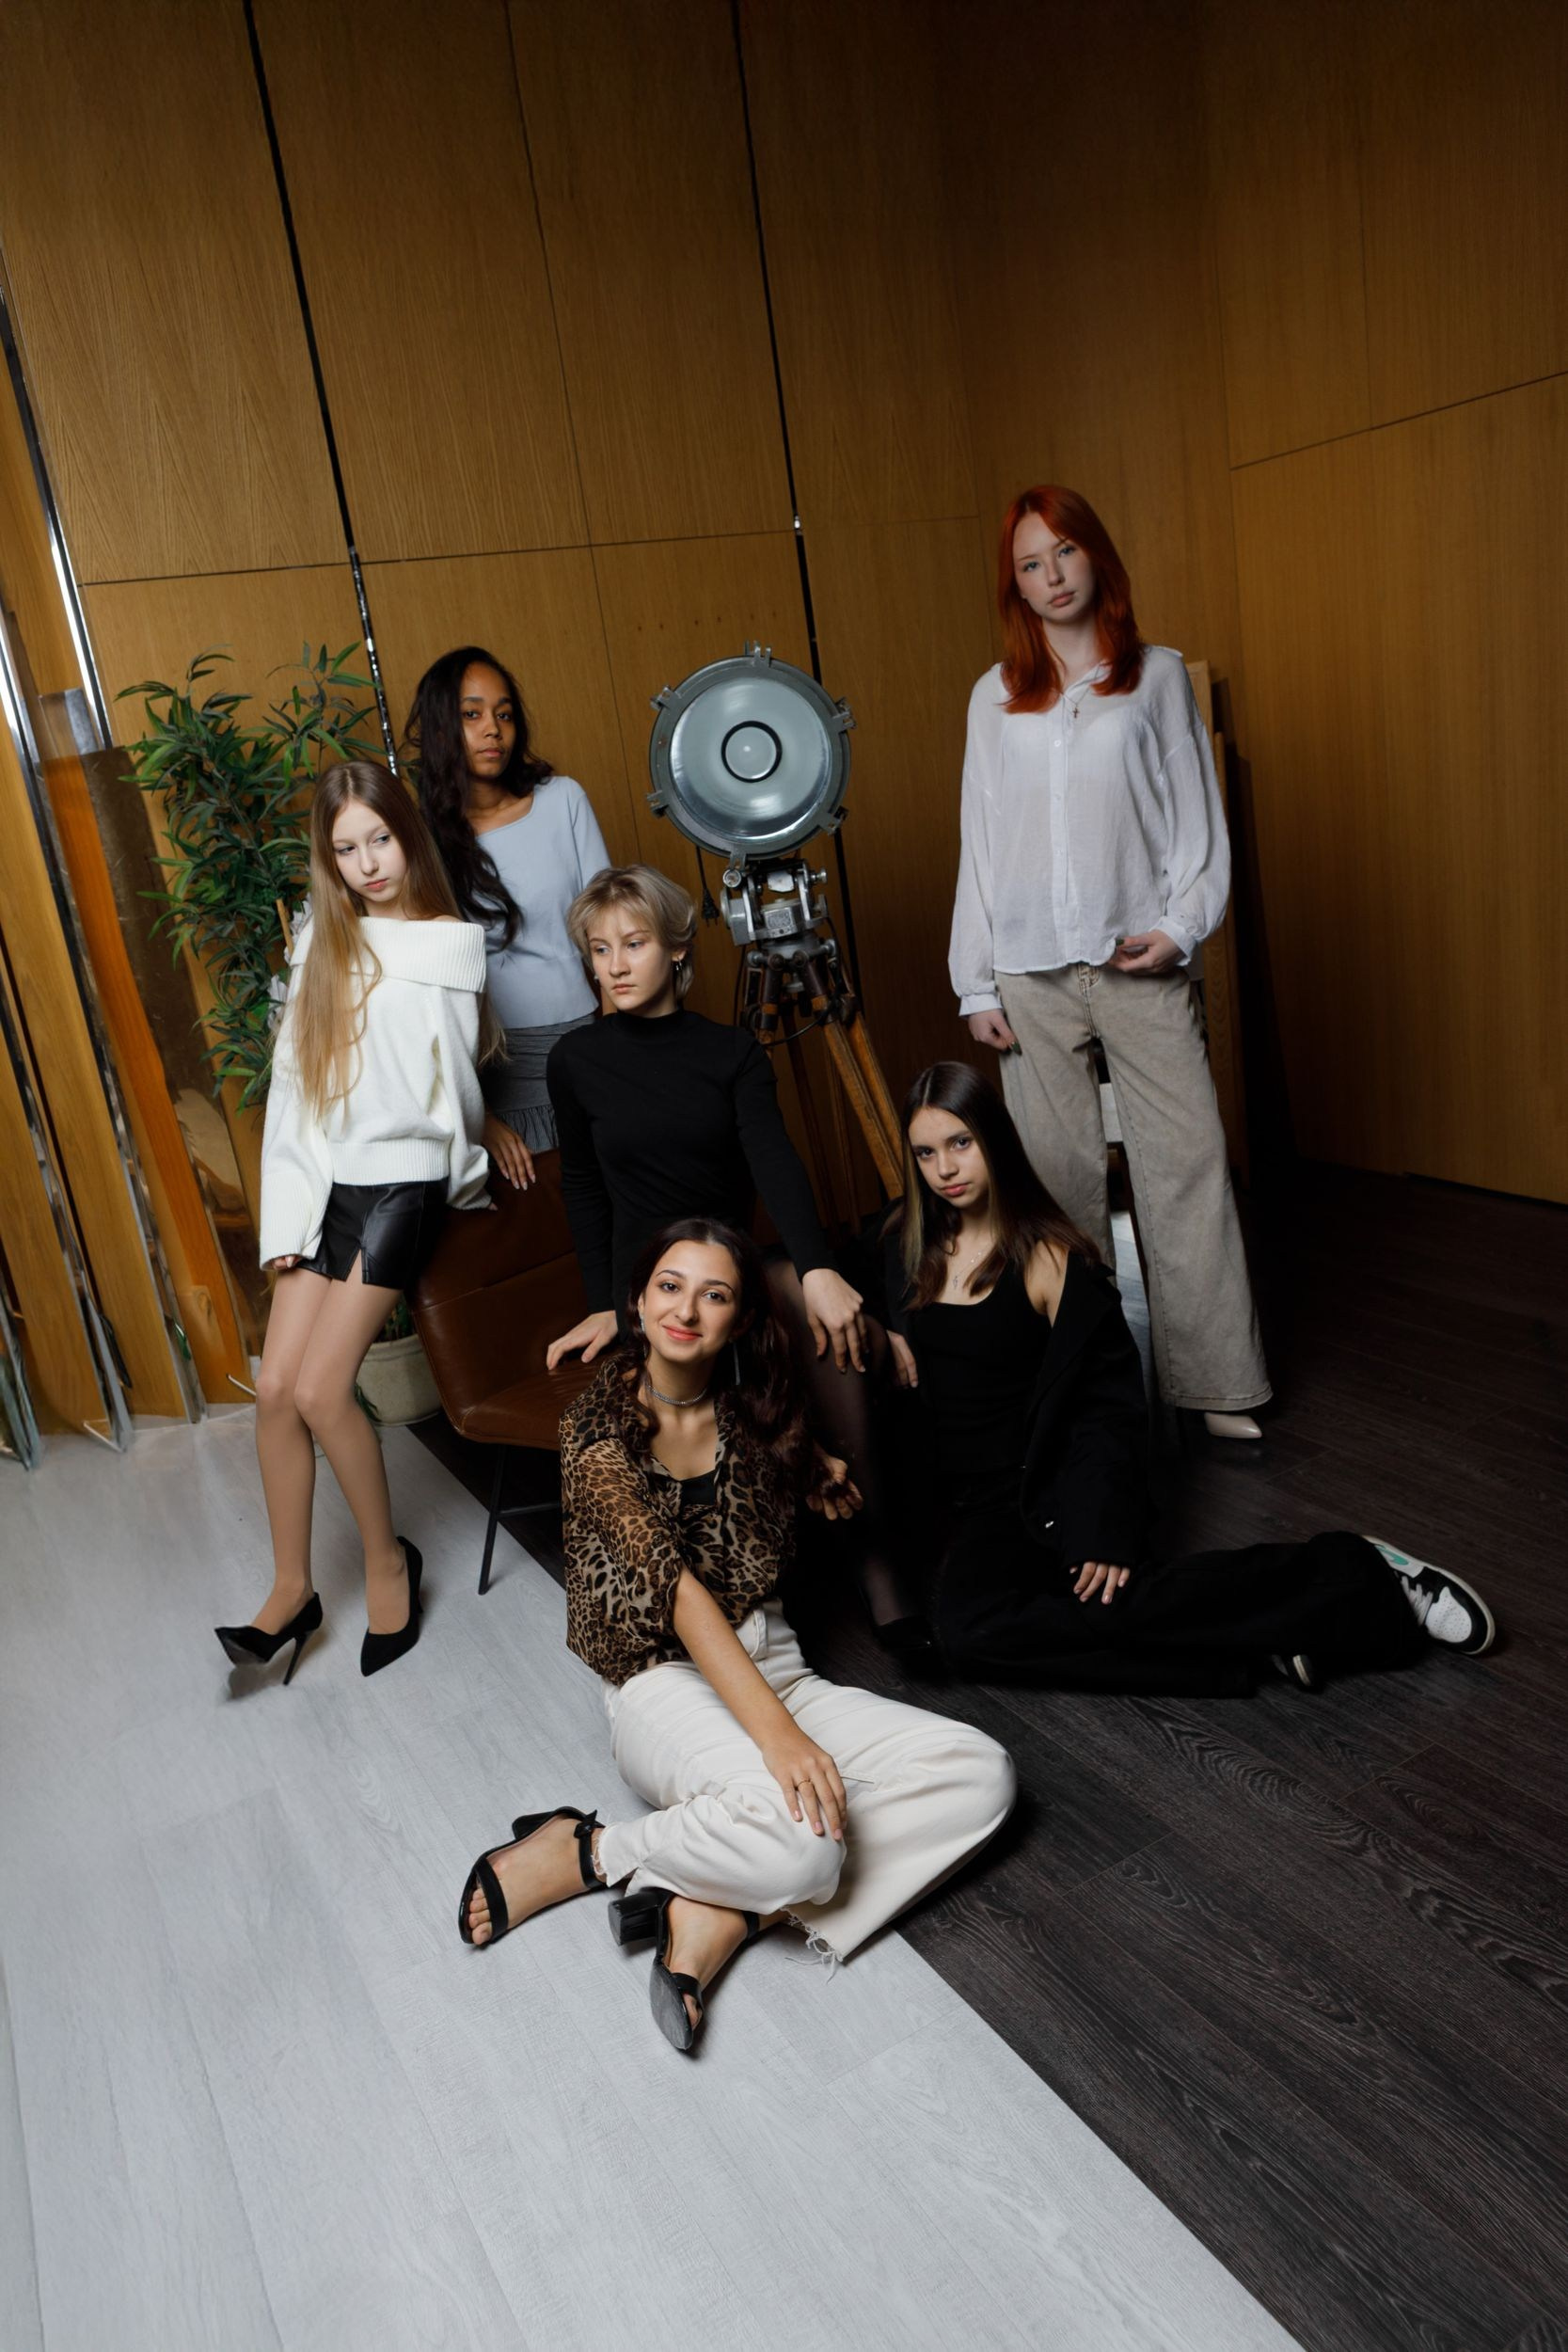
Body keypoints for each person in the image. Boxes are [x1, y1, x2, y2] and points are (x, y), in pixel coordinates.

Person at [455, 1218, 1015, 2050]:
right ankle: (590, 1851)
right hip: (659, 1679)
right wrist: (781, 1738)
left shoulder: (756, 1411)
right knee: (806, 1848)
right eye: (669, 1286)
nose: (686, 1310)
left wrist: (817, 1470)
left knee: (981, 1773)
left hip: (774, 1659)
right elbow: (677, 1593)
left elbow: (783, 1467)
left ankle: (728, 1907)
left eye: (713, 1294)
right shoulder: (593, 1429)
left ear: (741, 1318)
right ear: (637, 1301)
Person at [885, 1062, 1497, 1692]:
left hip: (1051, 1491)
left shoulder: (1049, 1261)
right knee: (970, 1637)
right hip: (978, 1511)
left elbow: (1106, 1409)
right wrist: (866, 1313)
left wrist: (1102, 1530)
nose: (945, 1168)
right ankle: (1264, 1638)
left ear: (995, 1140)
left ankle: (1361, 1572)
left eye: (961, 1143)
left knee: (1108, 1605)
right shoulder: (905, 1249)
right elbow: (875, 1314)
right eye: (926, 1153)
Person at [950, 484, 1268, 1440]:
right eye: (1030, 564)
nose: (1051, 577)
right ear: (1014, 584)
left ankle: (1215, 1385)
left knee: (1187, 1167)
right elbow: (979, 841)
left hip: (1139, 961)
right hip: (1028, 974)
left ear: (1096, 556)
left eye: (1064, 553)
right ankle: (1083, 1391)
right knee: (1053, 1185)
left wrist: (1179, 925)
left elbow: (1195, 820)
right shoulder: (992, 695)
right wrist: (974, 977)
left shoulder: (1156, 677)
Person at [544, 863, 926, 1652]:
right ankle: (776, 1571)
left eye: (633, 944)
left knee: (824, 1318)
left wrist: (818, 1271)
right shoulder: (575, 1060)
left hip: (728, 1266)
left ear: (677, 948)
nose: (614, 965)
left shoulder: (732, 1054)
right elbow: (581, 1187)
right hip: (649, 1283)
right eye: (599, 950)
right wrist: (601, 1300)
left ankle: (879, 1564)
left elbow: (775, 1164)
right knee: (756, 1313)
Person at [214, 760, 490, 1682]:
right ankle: (292, 1589)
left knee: (323, 1389)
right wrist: (286, 1225)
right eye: (346, 849)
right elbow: (294, 1096)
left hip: (404, 1183)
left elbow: (458, 1090)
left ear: (407, 837)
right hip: (326, 1185)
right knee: (274, 1389)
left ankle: (386, 1562)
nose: (368, 863)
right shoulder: (319, 945)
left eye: (380, 839)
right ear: (327, 861)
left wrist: (471, 1174)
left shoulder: (446, 944)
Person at [404, 644, 610, 1187]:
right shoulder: (424, 840)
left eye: (504, 714)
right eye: (471, 715)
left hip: (586, 1041)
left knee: (621, 1203)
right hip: (493, 1067)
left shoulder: (563, 800)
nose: (492, 729)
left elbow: (609, 927)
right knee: (540, 1217)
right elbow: (420, 993)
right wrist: (480, 1116)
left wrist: (619, 1045)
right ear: (442, 727)